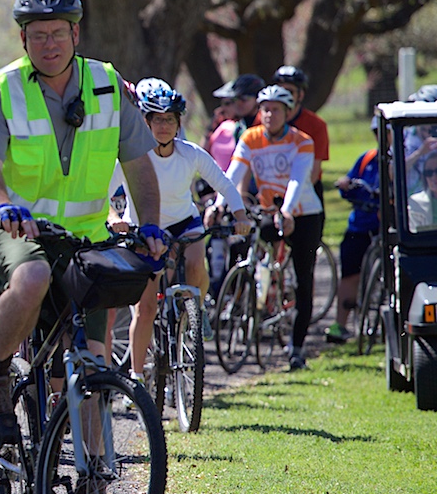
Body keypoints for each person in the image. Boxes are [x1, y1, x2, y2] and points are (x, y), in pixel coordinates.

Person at [0, 0, 165, 451]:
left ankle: (91, 487)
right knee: (32, 277)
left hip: (85, 241)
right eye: (38, 35)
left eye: (58, 33)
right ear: (23, 39)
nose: (48, 44)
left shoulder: (108, 84)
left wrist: (152, 224)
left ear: (76, 35)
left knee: (91, 366)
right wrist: (1, 204)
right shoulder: (2, 88)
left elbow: (138, 163)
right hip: (17, 229)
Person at [127, 79, 249, 384]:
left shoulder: (190, 153)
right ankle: (136, 376)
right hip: (146, 227)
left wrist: (239, 213)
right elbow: (109, 193)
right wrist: (117, 218)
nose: (164, 126)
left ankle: (197, 313)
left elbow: (222, 182)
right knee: (145, 307)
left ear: (178, 123)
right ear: (145, 122)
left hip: (184, 222)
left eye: (170, 120)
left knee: (196, 264)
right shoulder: (131, 156)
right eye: (157, 120)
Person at [214, 85, 323, 371]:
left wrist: (287, 210)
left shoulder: (302, 141)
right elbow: (233, 173)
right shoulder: (250, 137)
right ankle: (259, 288)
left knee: (303, 279)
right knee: (248, 248)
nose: (269, 114)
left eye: (275, 109)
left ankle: (296, 349)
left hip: (303, 212)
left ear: (287, 113)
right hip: (269, 210)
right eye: (265, 109)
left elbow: (299, 181)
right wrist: (217, 204)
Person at [326, 147, 381, 343]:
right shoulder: (367, 158)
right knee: (349, 274)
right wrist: (345, 185)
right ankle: (340, 326)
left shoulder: (406, 154)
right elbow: (349, 181)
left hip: (384, 226)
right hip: (359, 225)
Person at [272, 65, 330, 203]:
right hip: (271, 191)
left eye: (290, 91)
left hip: (307, 191)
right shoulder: (263, 121)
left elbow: (314, 172)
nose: (284, 95)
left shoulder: (316, 125)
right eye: (280, 90)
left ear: (301, 94)